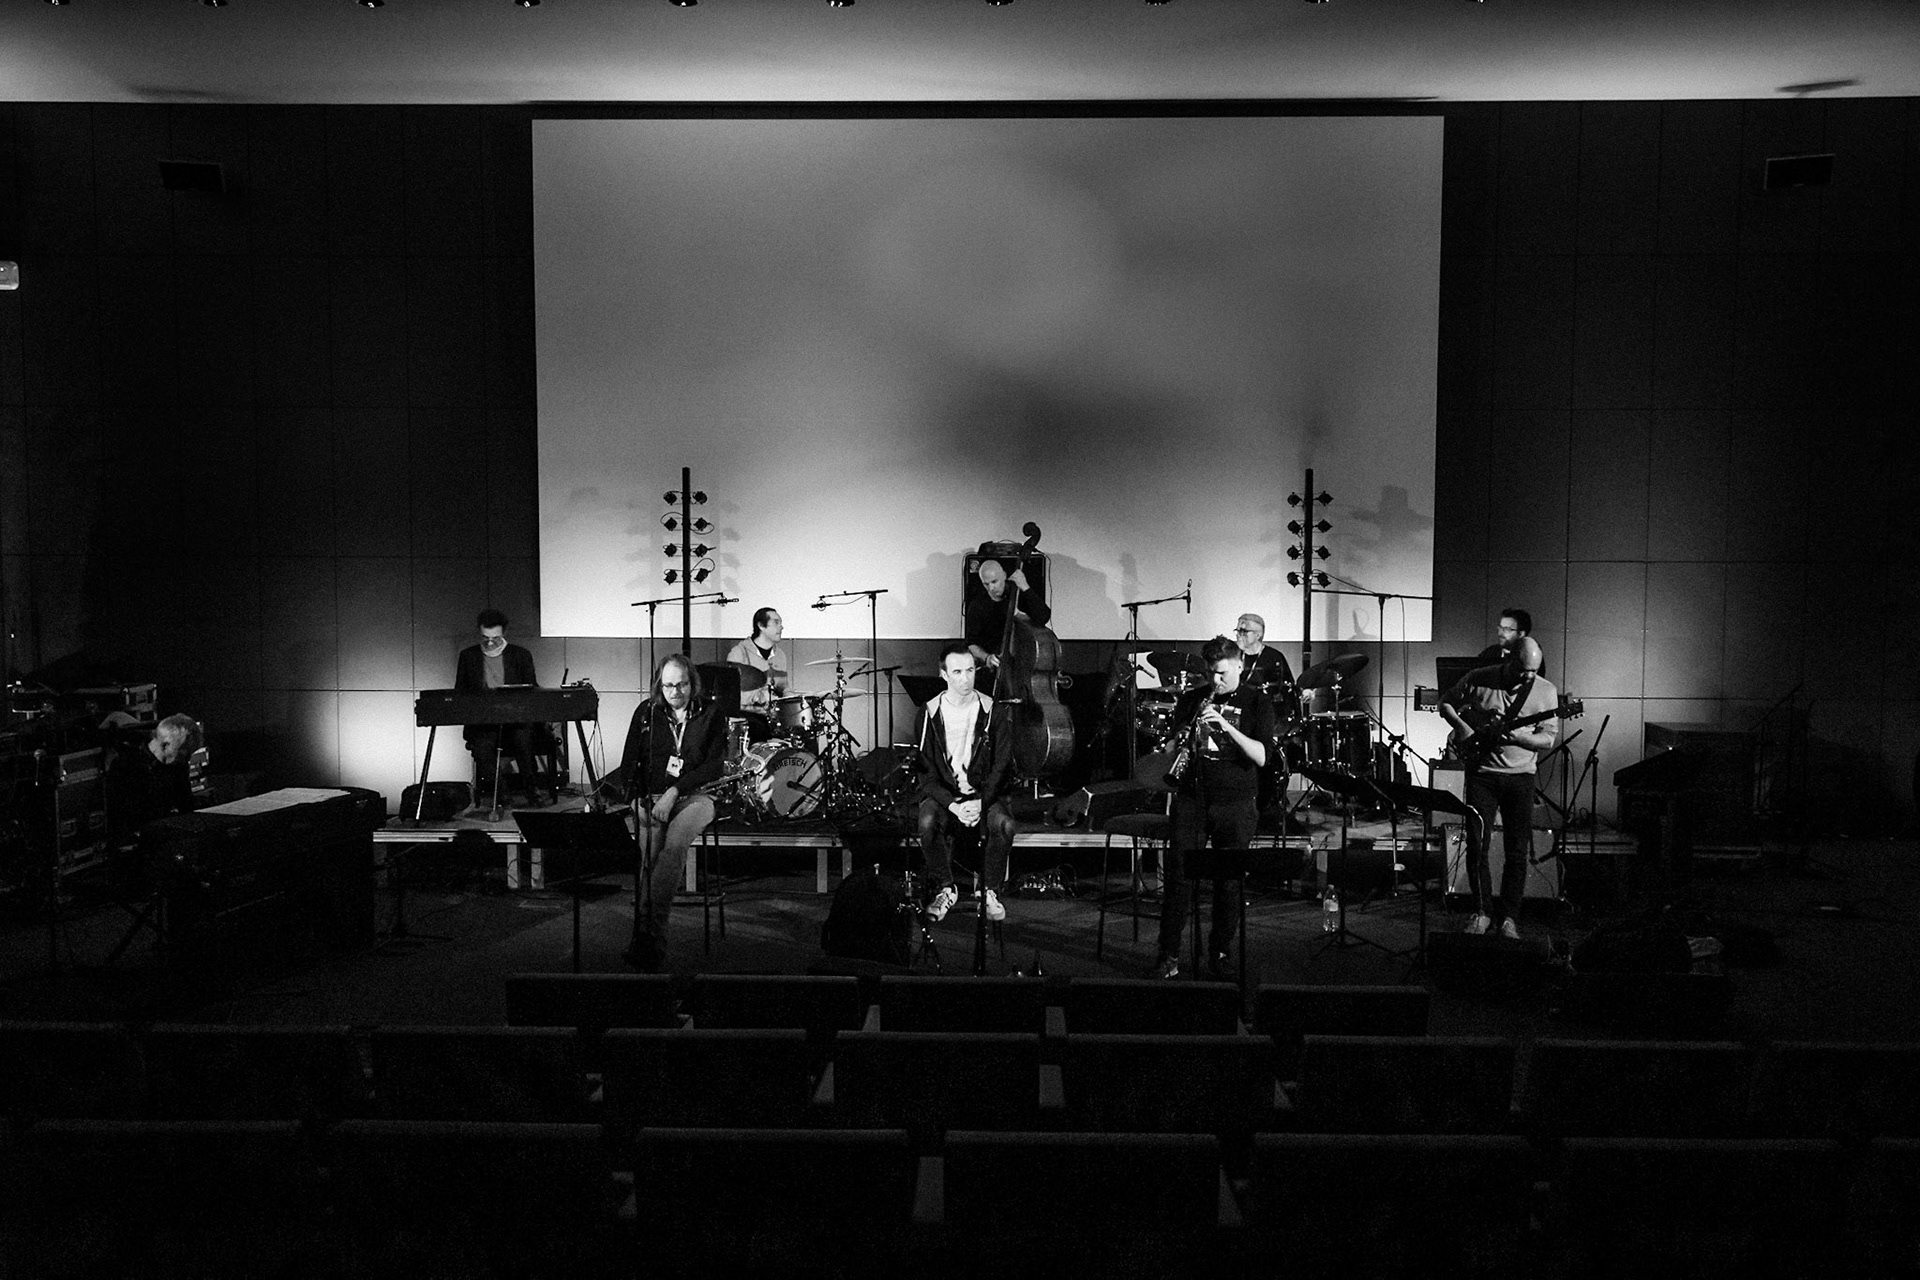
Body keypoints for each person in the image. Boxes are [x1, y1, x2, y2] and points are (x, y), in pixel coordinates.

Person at [1155, 635, 1274, 980]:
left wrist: (1225, 726)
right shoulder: (1192, 699)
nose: (1216, 680)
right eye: (1211, 673)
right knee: (1178, 879)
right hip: (1193, 799)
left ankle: (1220, 954)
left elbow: (1261, 756)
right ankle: (1168, 954)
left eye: (1222, 673)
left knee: (1228, 884)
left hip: (1235, 802)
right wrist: (1178, 741)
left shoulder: (1257, 702)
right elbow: (1171, 747)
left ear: (1240, 665)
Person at [1439, 635, 1560, 940]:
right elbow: (1446, 703)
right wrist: (1463, 728)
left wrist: (1519, 738)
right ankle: (1481, 912)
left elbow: (1548, 738)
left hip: (1522, 777)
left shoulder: (1546, 691)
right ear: (1509, 659)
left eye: (1534, 671)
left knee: (1517, 852)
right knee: (1477, 847)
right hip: (1482, 774)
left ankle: (1509, 918)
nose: (1528, 677)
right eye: (1523, 670)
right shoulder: (1479, 679)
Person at [619, 653, 727, 972]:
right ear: (659, 685)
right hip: (652, 798)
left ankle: (648, 938)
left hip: (696, 796)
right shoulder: (646, 712)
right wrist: (637, 800)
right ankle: (649, 940)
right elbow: (629, 762)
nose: (675, 691)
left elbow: (714, 765)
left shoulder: (710, 713)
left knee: (674, 847)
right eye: (668, 685)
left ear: (692, 683)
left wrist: (674, 791)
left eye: (681, 684)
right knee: (649, 858)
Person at [916, 643, 1015, 925]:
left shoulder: (991, 710)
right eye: (957, 672)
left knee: (1005, 826)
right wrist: (954, 806)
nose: (965, 678)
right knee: (926, 823)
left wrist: (981, 802)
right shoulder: (929, 712)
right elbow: (926, 775)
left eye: (970, 670)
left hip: (983, 794)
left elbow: (1002, 766)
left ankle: (989, 891)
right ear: (944, 675)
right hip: (947, 796)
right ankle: (946, 889)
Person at [454, 608, 547, 806]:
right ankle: (501, 793)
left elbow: (532, 688)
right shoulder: (468, 656)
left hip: (515, 718)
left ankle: (532, 789)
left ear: (504, 633)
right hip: (484, 720)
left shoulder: (520, 655)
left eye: (495, 638)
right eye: (485, 638)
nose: (489, 643)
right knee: (482, 748)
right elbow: (460, 692)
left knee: (523, 739)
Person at [104, 713, 199, 848]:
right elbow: (125, 817)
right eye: (183, 754)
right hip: (136, 842)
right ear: (165, 745)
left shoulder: (178, 765)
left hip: (163, 835)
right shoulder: (127, 765)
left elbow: (186, 805)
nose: (187, 759)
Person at [964, 557, 1051, 694]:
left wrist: (1025, 587)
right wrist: (987, 657)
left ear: (1004, 576)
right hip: (994, 671)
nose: (991, 588)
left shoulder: (1018, 596)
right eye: (986, 584)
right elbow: (972, 643)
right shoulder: (977, 606)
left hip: (1023, 669)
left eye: (994, 582)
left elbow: (1043, 617)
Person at [725, 607, 790, 714]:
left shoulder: (780, 655)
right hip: (747, 717)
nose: (781, 627)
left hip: (771, 716)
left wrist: (789, 695)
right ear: (761, 626)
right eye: (776, 623)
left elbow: (783, 686)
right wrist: (758, 697)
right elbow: (729, 695)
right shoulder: (738, 653)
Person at [1476, 608, 1546, 677]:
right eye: (1500, 628)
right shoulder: (1489, 652)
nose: (1500, 633)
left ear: (1520, 634)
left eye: (1506, 629)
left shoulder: (1532, 659)